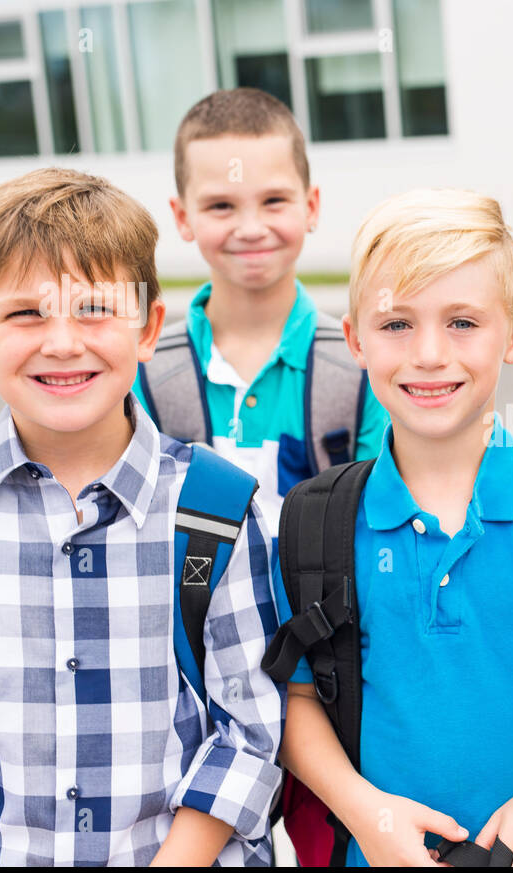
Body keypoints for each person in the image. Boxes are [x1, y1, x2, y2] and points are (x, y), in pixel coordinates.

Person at [0, 168, 284, 866]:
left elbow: (252, 728)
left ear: (148, 329)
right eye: (25, 314)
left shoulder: (217, 509)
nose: (63, 342)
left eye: (95, 309)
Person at [268, 188, 513, 866]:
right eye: (397, 324)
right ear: (354, 340)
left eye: (462, 322)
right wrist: (367, 815)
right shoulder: (318, 526)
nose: (429, 354)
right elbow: (293, 697)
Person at [133, 88, 389, 538]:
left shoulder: (365, 363)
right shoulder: (144, 369)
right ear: (182, 217)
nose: (251, 229)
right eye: (221, 206)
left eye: (273, 201)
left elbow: (380, 523)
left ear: (311, 206)